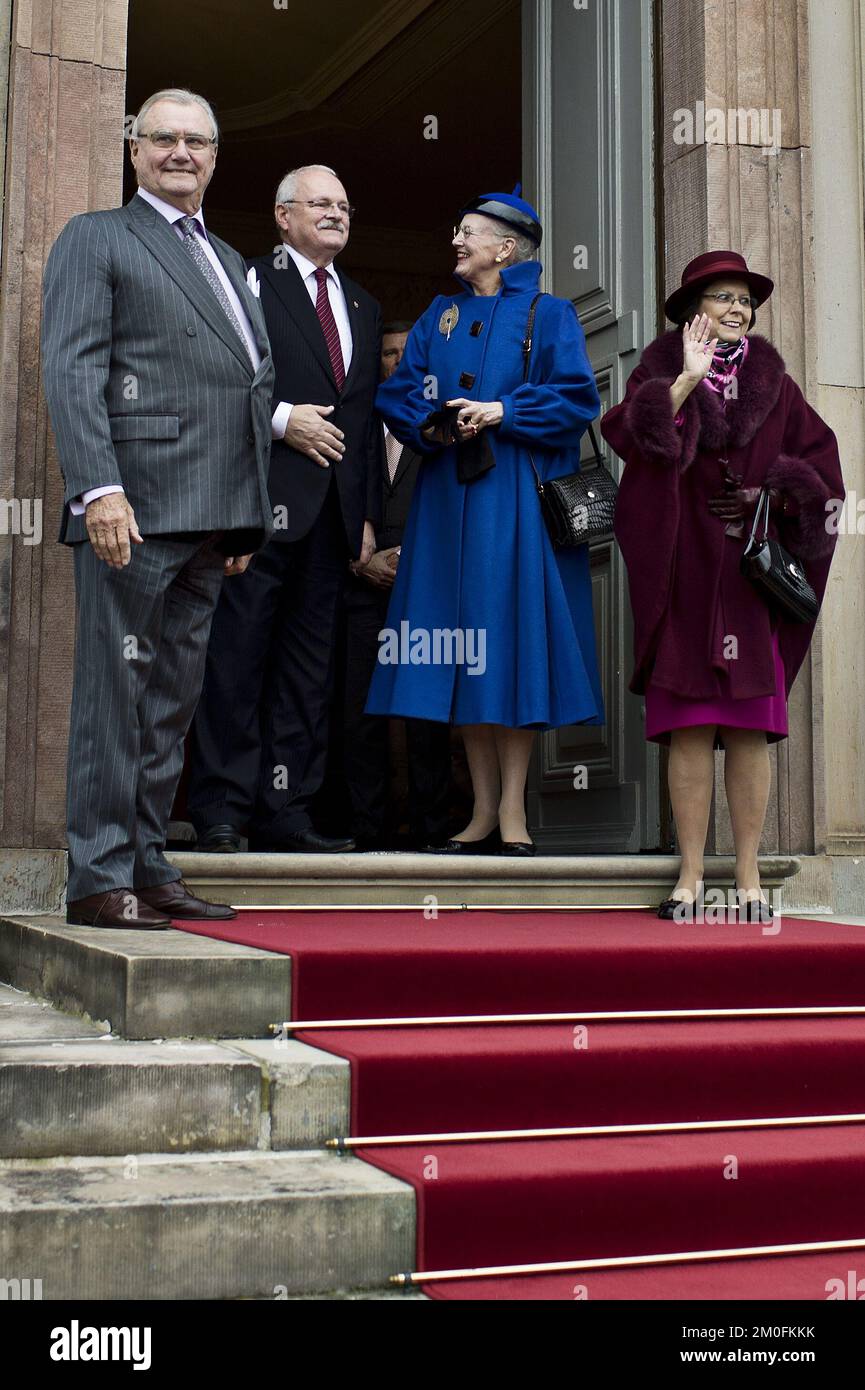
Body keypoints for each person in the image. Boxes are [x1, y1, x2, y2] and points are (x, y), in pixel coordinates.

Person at [41, 87, 275, 929]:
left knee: (170, 701)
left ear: (215, 155)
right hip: (133, 509)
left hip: (213, 518)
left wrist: (245, 515)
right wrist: (97, 488)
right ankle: (99, 878)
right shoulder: (97, 236)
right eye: (164, 138)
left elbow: (252, 384)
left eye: (198, 142)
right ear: (134, 149)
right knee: (114, 694)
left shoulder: (227, 255)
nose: (182, 152)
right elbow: (72, 368)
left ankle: (146, 862)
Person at [602, 250, 844, 921]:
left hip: (745, 579)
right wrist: (685, 380)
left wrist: (773, 496)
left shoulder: (777, 386)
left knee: (744, 729)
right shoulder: (656, 369)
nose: (737, 310)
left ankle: (744, 878)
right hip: (684, 572)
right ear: (691, 311)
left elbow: (823, 475)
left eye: (744, 300)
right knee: (685, 727)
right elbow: (628, 440)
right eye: (723, 298)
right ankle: (685, 876)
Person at [365, 190, 604, 855]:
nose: (455, 240)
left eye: (466, 231)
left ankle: (513, 815)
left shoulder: (548, 313)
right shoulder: (436, 316)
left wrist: (502, 411)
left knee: (508, 646)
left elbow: (576, 397)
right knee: (461, 647)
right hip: (445, 501)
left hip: (513, 501)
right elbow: (397, 389)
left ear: (505, 247)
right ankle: (478, 813)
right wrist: (432, 420)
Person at [187, 165, 382, 854]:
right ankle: (221, 808)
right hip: (255, 504)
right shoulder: (247, 281)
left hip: (331, 521)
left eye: (344, 204)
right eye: (321, 203)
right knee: (237, 659)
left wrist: (363, 516)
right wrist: (281, 420)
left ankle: (286, 810)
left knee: (308, 672)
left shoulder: (360, 303)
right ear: (282, 216)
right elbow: (218, 375)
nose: (336, 213)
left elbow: (360, 424)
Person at [338, 321, 452, 849]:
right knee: (361, 710)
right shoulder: (356, 426)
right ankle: (367, 830)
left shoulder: (442, 426)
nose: (397, 359)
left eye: (408, 352)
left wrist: (410, 557)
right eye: (387, 352)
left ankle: (434, 830)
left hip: (426, 581)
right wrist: (361, 561)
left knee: (426, 711)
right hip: (362, 582)